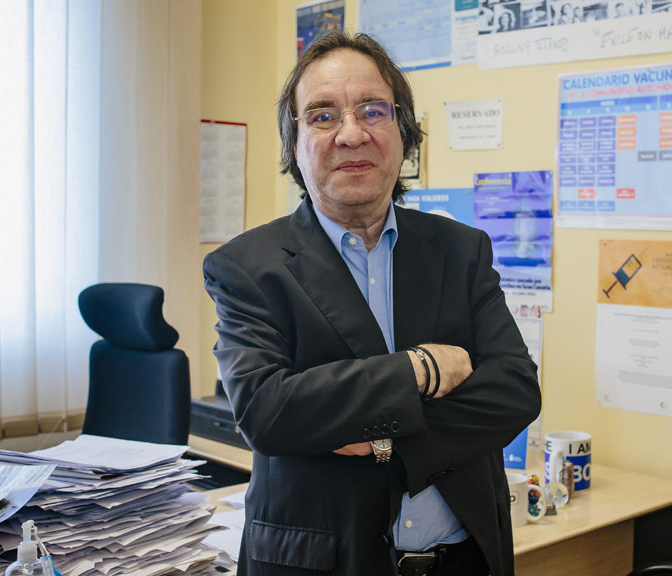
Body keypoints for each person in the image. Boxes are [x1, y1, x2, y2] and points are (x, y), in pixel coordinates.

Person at [203, 32, 541, 576]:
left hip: (465, 558)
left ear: (404, 134)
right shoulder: (247, 267)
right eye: (322, 116)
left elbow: (515, 391)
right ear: (294, 144)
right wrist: (421, 368)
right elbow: (267, 411)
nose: (352, 133)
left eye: (373, 111)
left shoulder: (461, 250)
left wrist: (383, 443)